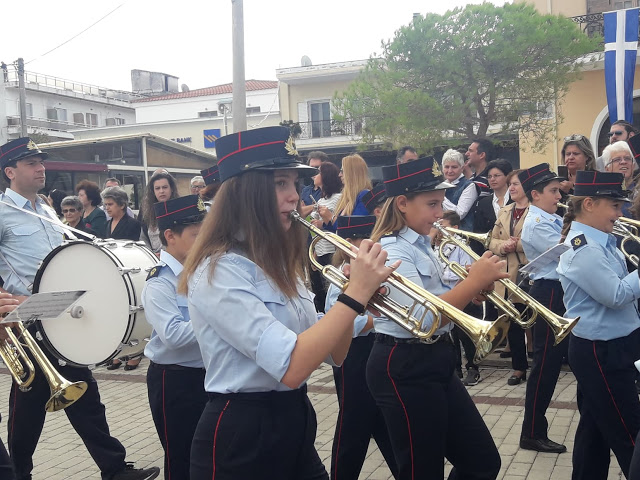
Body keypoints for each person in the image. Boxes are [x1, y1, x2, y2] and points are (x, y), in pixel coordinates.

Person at [178, 125, 396, 479]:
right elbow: (293, 366)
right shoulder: (218, 271)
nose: (295, 196)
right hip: (242, 435)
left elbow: (334, 354)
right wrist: (354, 297)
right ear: (246, 193)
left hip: (293, 421)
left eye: (294, 184)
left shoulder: (279, 262)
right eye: (280, 183)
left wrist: (358, 298)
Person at [0, 137, 159, 480]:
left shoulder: (43, 208)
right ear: (10, 171)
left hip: (59, 309)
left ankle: (114, 468)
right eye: (31, 163)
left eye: (41, 162)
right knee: (27, 406)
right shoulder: (1, 212)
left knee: (84, 394)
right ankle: (18, 473)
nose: (41, 168)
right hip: (26, 318)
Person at [366, 156, 509, 479]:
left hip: (436, 357)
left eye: (441, 202)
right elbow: (424, 315)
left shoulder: (422, 243)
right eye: (432, 203)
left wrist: (472, 289)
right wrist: (472, 281)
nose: (440, 212)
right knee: (421, 471)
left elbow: (441, 299)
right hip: (404, 363)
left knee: (482, 460)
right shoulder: (391, 249)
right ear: (402, 203)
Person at [558, 171, 640, 479]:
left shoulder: (601, 241)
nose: (621, 214)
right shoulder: (583, 248)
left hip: (613, 346)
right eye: (614, 206)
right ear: (589, 204)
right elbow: (616, 295)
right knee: (630, 434)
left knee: (594, 431)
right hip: (601, 352)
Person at [325, 215, 398, 480]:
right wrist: (376, 318)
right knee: (352, 425)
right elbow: (345, 324)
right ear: (349, 242)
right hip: (352, 357)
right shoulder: (340, 274)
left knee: (382, 420)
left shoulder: (377, 269)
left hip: (376, 351)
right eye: (368, 239)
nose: (375, 244)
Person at [143, 195, 208, 480]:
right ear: (170, 235)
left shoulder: (202, 271)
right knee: (181, 459)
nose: (205, 240)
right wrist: (220, 320)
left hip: (207, 374)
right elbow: (171, 335)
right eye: (196, 234)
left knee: (207, 457)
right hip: (175, 381)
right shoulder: (160, 281)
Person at [518, 163, 569, 454]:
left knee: (559, 362)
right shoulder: (537, 224)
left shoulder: (548, 217)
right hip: (549, 293)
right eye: (552, 191)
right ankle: (532, 431)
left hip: (557, 292)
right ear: (535, 194)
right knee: (545, 366)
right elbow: (570, 254)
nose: (558, 196)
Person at [488, 169, 531, 385]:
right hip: (506, 275)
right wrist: (503, 246)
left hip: (528, 273)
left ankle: (542, 362)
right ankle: (519, 367)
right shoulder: (504, 211)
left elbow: (545, 240)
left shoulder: (537, 210)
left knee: (534, 321)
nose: (512, 188)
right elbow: (491, 240)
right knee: (513, 323)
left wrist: (519, 244)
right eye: (511, 184)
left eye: (516, 184)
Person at [429, 210, 475, 380]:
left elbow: (468, 273)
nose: (439, 230)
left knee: (465, 334)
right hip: (443, 294)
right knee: (450, 334)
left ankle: (472, 366)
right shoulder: (434, 247)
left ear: (455, 228)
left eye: (443, 227)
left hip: (460, 292)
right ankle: (456, 369)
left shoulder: (463, 247)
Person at [309, 162, 343, 312]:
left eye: (318, 172)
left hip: (332, 250)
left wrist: (323, 223)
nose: (314, 176)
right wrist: (315, 253)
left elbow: (339, 223)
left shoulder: (338, 198)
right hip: (320, 249)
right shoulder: (321, 200)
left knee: (333, 289)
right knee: (320, 290)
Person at [324, 154, 372, 227]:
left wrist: (331, 217)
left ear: (352, 173)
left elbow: (355, 226)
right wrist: (323, 224)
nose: (339, 175)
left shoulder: (365, 195)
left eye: (342, 171)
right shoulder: (348, 198)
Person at [139, 172, 179, 255]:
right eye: (157, 188)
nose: (161, 191)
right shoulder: (147, 212)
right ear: (153, 191)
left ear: (171, 189)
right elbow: (143, 238)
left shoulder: (180, 209)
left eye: (165, 187)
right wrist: (151, 255)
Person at [473, 159, 513, 234]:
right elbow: (478, 230)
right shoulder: (483, 203)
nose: (492, 179)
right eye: (489, 176)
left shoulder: (516, 199)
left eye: (496, 176)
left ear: (507, 177)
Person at [441, 149, 476, 230]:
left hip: (461, 235)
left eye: (454, 167)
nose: (449, 171)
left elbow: (459, 215)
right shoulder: (441, 185)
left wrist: (441, 197)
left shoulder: (469, 186)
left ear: (462, 168)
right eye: (446, 167)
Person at [603, 141, 636, 217]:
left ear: (633, 165)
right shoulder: (601, 196)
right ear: (607, 169)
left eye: (627, 158)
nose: (623, 162)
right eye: (617, 160)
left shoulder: (638, 193)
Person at [299, 151, 328, 217]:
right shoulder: (305, 190)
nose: (314, 171)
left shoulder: (331, 190)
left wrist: (306, 209)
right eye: (311, 168)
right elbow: (299, 212)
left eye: (317, 168)